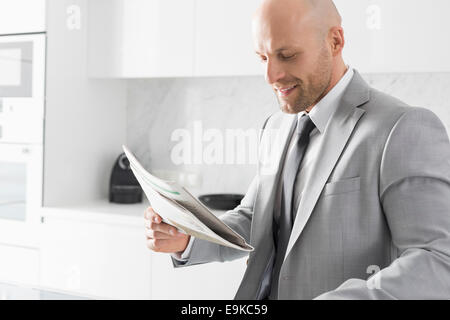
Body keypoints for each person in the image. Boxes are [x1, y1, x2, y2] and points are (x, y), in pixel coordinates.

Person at [144, 0, 450, 299]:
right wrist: (188, 238)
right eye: (263, 58)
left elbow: (437, 260)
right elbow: (255, 218)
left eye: (287, 55)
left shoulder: (403, 127)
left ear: (335, 41)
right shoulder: (276, 127)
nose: (270, 76)